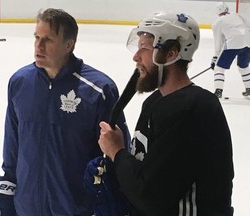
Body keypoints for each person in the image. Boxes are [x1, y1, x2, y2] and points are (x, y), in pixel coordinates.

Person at [0, 8, 130, 216]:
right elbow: (12, 145)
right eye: (37, 37)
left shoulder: (99, 89)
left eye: (48, 40)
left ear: (68, 45)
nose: (39, 46)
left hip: (76, 209)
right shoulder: (20, 82)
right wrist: (5, 191)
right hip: (26, 208)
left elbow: (118, 153)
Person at [96, 11, 234, 215]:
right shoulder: (156, 101)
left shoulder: (194, 110)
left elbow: (151, 195)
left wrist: (117, 152)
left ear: (171, 53)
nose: (136, 56)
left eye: (144, 48)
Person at [211, 1, 250, 98]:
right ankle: (249, 88)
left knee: (219, 68)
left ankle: (218, 91)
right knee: (243, 67)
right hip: (247, 43)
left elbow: (218, 42)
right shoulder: (238, 15)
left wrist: (215, 58)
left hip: (233, 44)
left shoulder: (218, 22)